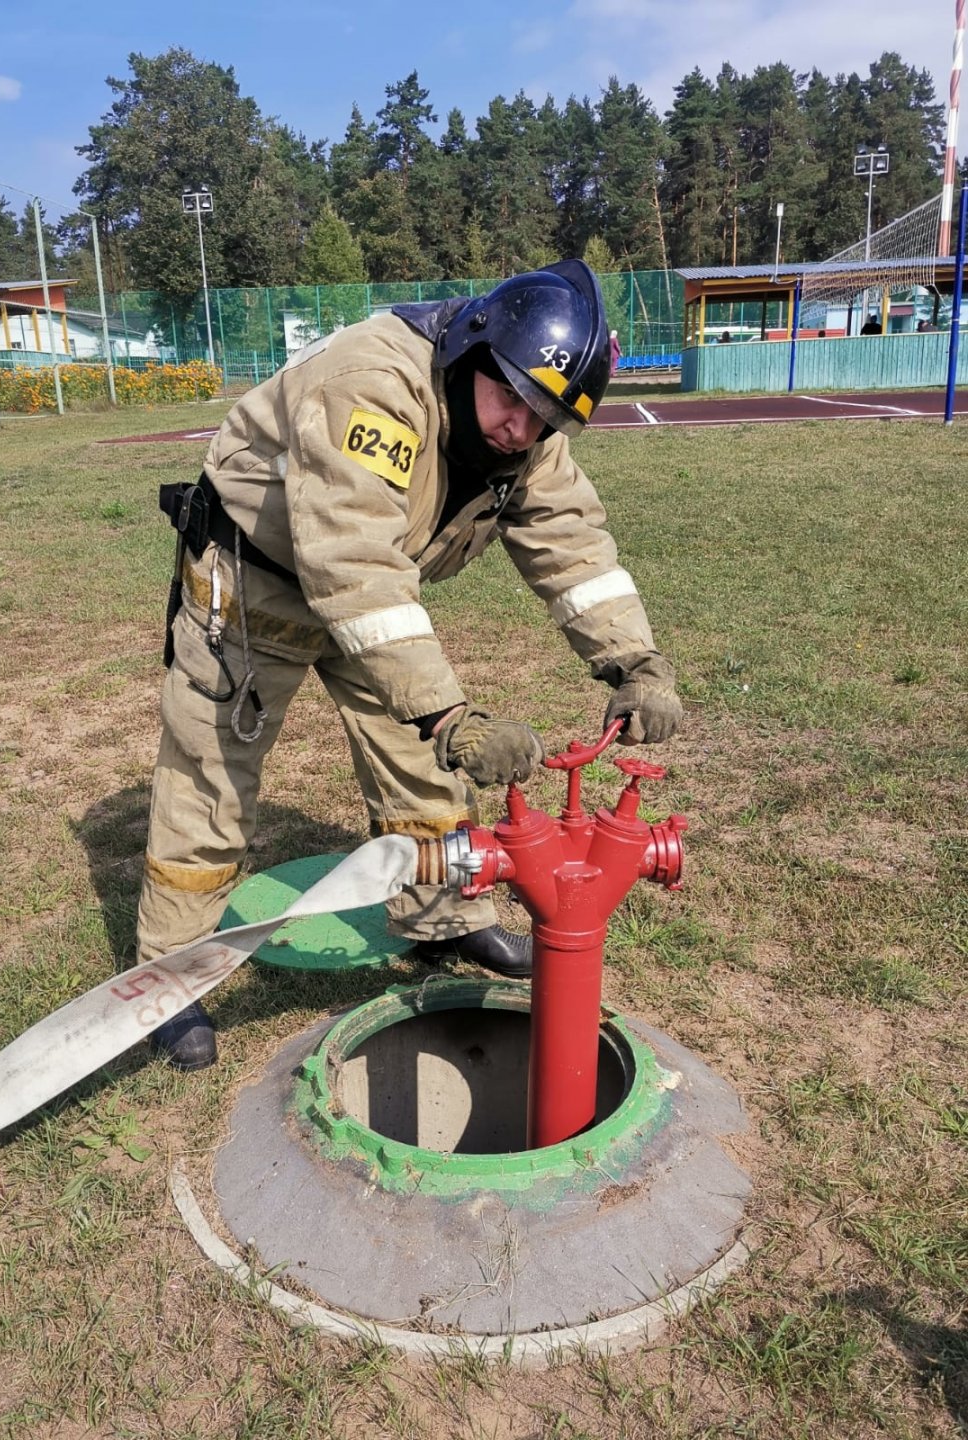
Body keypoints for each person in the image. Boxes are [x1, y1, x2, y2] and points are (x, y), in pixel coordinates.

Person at [139, 259, 684, 1070]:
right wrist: (449, 713)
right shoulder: (373, 382)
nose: (519, 433)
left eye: (545, 421)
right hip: (259, 581)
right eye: (512, 404)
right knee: (211, 776)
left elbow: (573, 545)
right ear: (474, 353)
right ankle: (169, 982)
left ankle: (443, 921)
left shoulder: (524, 424)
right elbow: (350, 558)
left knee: (420, 774)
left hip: (370, 590)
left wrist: (634, 658)